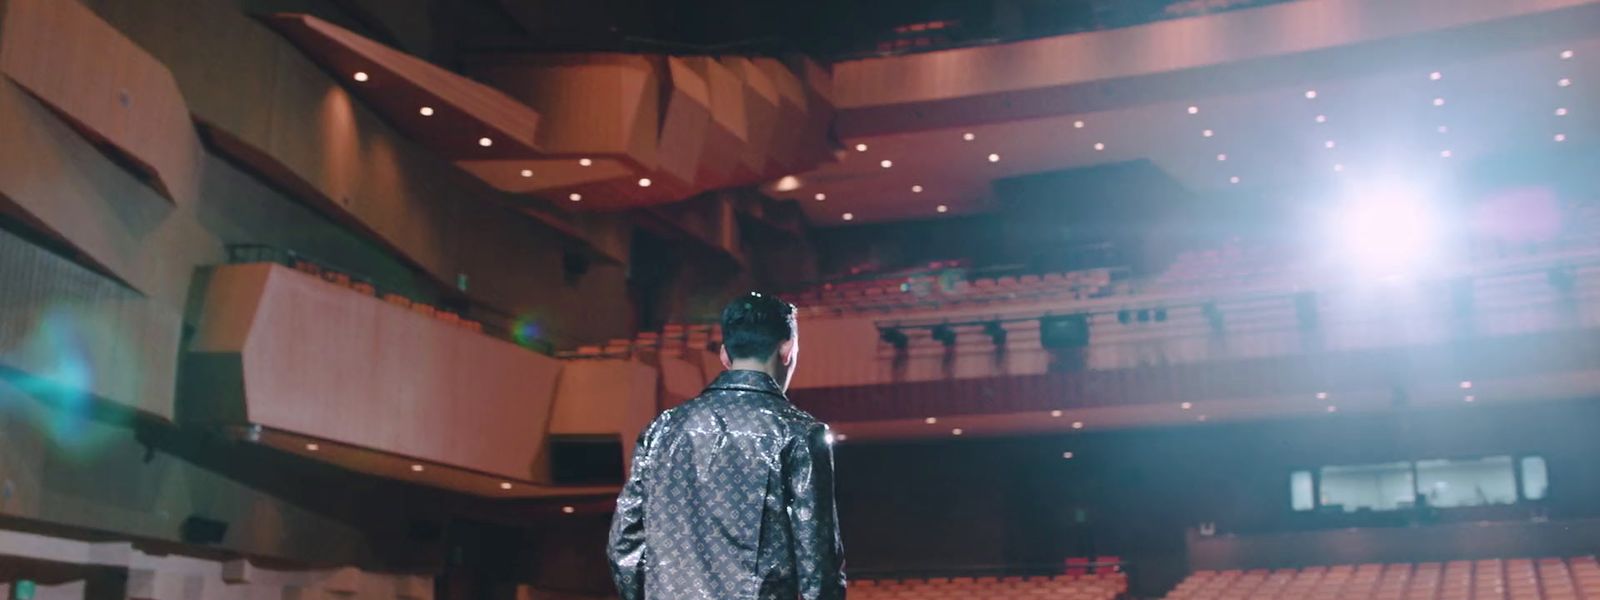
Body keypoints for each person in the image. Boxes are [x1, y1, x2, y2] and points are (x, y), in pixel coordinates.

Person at [607, 292, 846, 600]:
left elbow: (623, 546)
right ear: (786, 350)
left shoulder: (662, 428)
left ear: (724, 355)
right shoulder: (799, 434)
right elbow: (818, 567)